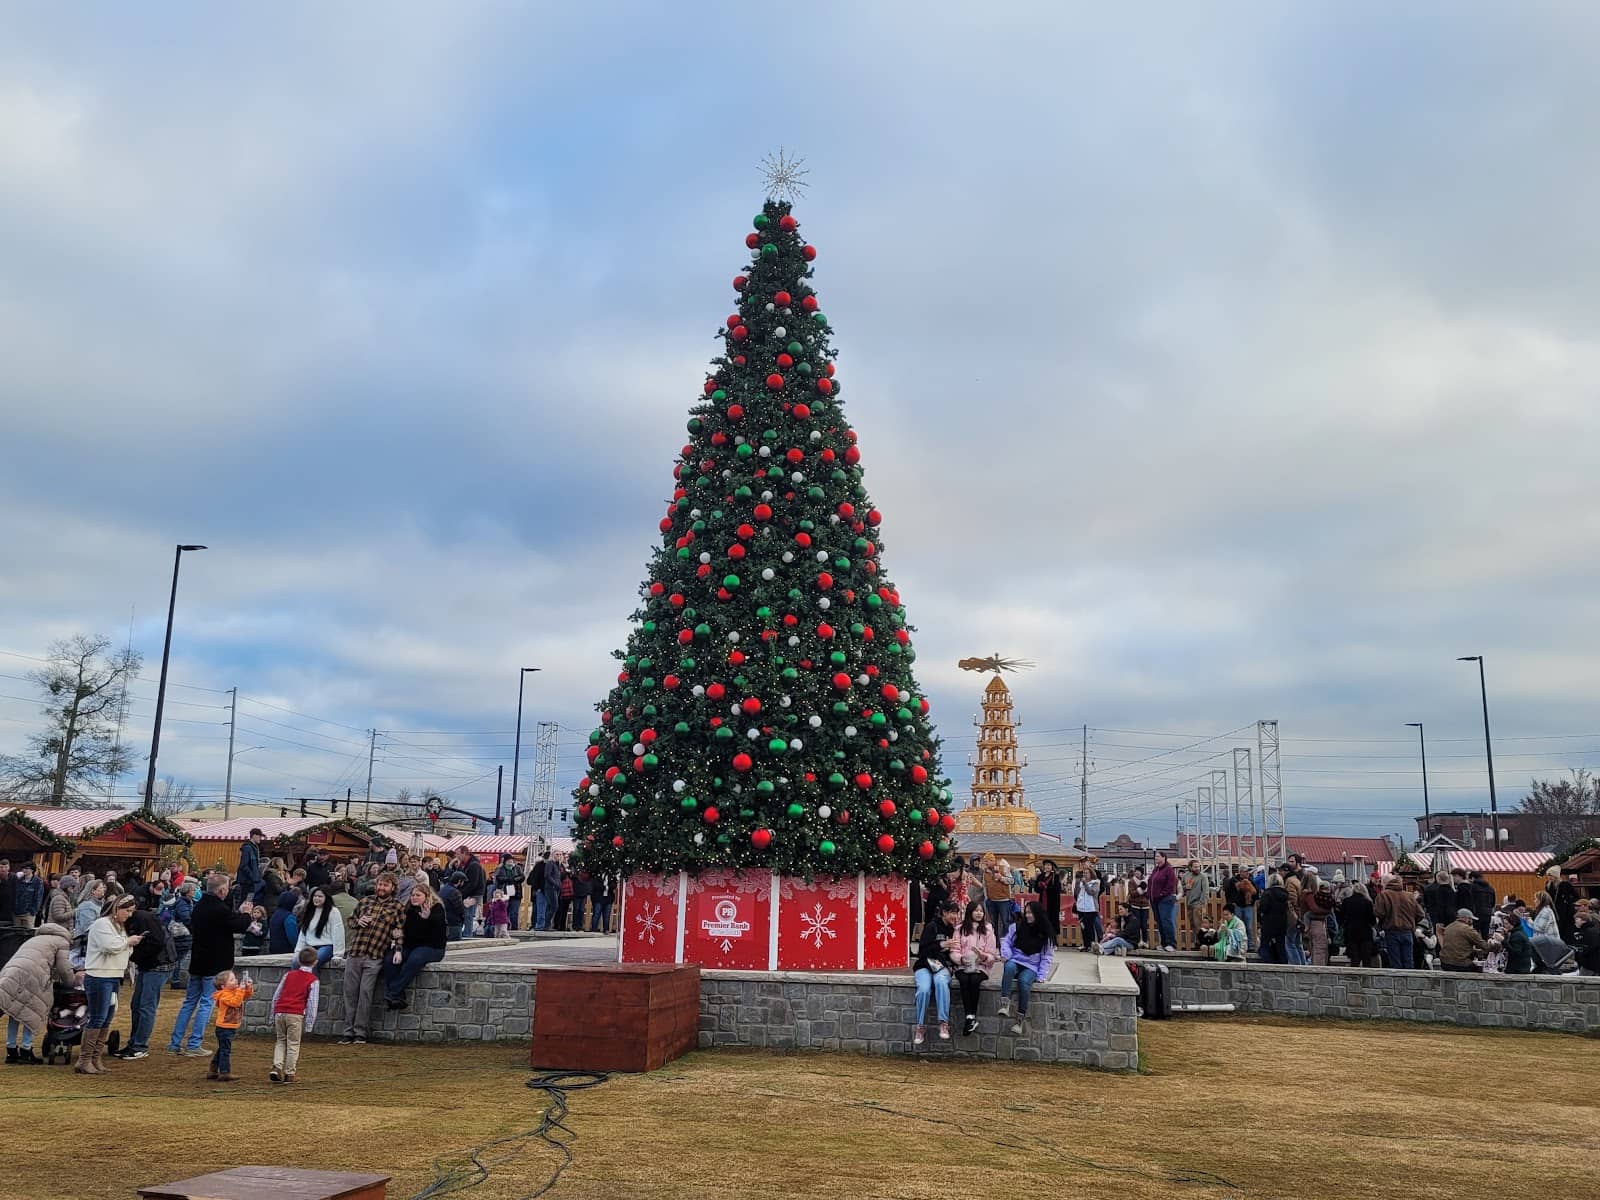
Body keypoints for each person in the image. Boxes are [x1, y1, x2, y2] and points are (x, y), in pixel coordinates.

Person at [170, 874, 251, 1057]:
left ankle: (175, 1043)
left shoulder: (199, 906)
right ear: (222, 890)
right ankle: (194, 1044)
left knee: (189, 1002)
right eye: (227, 888)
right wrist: (246, 913)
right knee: (206, 1002)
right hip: (215, 963)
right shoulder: (219, 909)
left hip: (198, 961)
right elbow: (238, 925)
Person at [339, 871, 404, 1046]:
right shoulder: (365, 901)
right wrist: (358, 921)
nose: (381, 888)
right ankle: (347, 1032)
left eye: (385, 885)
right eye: (380, 884)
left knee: (365, 994)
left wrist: (398, 950)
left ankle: (360, 1032)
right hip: (356, 951)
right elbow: (351, 920)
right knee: (350, 993)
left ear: (392, 887)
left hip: (375, 955)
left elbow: (398, 932)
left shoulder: (397, 907)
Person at [80, 895, 142, 1074]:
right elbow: (110, 946)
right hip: (99, 975)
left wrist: (128, 943)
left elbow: (122, 949)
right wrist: (128, 942)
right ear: (117, 908)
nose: (129, 915)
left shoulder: (119, 927)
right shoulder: (101, 924)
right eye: (127, 911)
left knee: (107, 1017)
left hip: (114, 976)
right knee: (98, 1017)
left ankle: (95, 1058)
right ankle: (85, 1060)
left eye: (132, 912)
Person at [0, 920, 76, 1066]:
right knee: (32, 1010)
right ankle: (26, 1051)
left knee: (15, 1011)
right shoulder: (62, 942)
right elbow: (63, 968)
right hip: (33, 975)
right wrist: (70, 984)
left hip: (10, 972)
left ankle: (11, 1051)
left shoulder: (35, 938)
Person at [114, 898, 176, 1059]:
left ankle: (140, 1045)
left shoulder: (143, 919)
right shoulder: (135, 920)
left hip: (158, 965)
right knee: (137, 1005)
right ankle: (134, 1043)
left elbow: (157, 941)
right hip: (148, 965)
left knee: (146, 1006)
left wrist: (134, 956)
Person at [384, 882, 447, 1010]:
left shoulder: (436, 908)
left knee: (415, 958)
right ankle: (397, 997)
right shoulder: (407, 909)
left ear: (427, 896)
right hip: (409, 945)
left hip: (432, 947)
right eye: (412, 895)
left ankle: (392, 992)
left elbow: (441, 932)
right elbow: (400, 931)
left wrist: (428, 918)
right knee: (389, 961)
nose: (414, 897)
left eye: (418, 895)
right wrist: (398, 950)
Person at [997, 899, 1053, 1036]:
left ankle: (1020, 1020)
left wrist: (1041, 975)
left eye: (1031, 913)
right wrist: (1007, 955)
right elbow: (1006, 942)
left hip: (1032, 966)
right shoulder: (1017, 927)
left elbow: (1047, 957)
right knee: (1009, 966)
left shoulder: (1045, 934)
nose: (1028, 916)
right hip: (1016, 960)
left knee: (1023, 982)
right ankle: (1005, 1003)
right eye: (1026, 912)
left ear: (1038, 914)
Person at [911, 898, 960, 1045]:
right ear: (944, 913)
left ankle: (943, 1023)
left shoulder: (954, 930)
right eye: (952, 913)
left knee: (940, 982)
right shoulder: (932, 927)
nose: (955, 917)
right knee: (924, 989)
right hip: (925, 965)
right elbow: (922, 951)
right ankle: (920, 1026)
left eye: (957, 913)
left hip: (942, 967)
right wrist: (941, 944)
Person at [269, 948, 320, 1084]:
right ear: (315, 962)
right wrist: (309, 1024)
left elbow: (277, 995)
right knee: (293, 1044)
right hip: (295, 1013)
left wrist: (271, 1014)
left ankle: (277, 1066)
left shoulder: (288, 975)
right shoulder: (313, 980)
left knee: (280, 1041)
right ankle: (290, 1073)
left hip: (280, 1011)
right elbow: (312, 1003)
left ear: (298, 960)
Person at [950, 899, 998, 1036]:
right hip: (962, 965)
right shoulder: (960, 929)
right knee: (964, 980)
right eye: (976, 911)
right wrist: (960, 959)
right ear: (970, 912)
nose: (979, 913)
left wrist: (982, 956)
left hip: (981, 966)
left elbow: (992, 955)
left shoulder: (988, 930)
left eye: (981, 911)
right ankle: (970, 1017)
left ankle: (971, 1016)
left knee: (975, 980)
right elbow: (954, 949)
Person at [208, 968, 253, 1082]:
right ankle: (224, 1072)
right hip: (224, 1027)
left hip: (230, 1026)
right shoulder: (224, 995)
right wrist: (241, 990)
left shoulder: (235, 991)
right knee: (225, 1050)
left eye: (234, 978)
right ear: (223, 986)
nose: (236, 981)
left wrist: (248, 987)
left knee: (223, 1048)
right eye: (232, 980)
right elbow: (235, 1002)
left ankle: (213, 1068)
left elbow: (246, 996)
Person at [1374, 876, 1421, 970]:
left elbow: (1379, 913)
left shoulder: (1383, 895)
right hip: (1407, 932)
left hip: (1391, 931)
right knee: (1408, 961)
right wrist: (1411, 922)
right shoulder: (1409, 895)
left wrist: (1383, 924)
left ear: (1385, 883)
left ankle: (1399, 984)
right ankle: (1409, 982)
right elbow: (1420, 914)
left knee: (1396, 963)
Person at [295, 887, 345, 966]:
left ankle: (312, 979)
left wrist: (338, 955)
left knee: (313, 962)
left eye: (320, 896)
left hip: (327, 946)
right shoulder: (309, 910)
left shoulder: (333, 912)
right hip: (310, 946)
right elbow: (303, 933)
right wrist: (298, 951)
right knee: (295, 962)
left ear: (326, 898)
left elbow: (338, 932)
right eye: (315, 896)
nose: (317, 898)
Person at [163, 879, 197, 990]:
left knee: (178, 958)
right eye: (193, 889)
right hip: (182, 934)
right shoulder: (183, 903)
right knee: (178, 958)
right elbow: (186, 918)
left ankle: (175, 979)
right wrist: (193, 928)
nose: (195, 891)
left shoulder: (187, 902)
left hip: (183, 933)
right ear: (188, 891)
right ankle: (175, 980)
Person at [1530, 892, 1574, 973]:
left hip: (1549, 945)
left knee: (1550, 966)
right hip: (1545, 944)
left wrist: (1529, 921)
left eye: (1536, 899)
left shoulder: (1546, 912)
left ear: (1541, 900)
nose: (1534, 901)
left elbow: (1540, 928)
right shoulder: (1544, 911)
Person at [1339, 881, 1377, 967]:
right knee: (1366, 960)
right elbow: (1372, 920)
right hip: (1365, 934)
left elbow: (1342, 918)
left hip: (1351, 933)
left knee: (1354, 959)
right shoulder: (1367, 902)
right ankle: (1366, 979)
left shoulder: (1346, 901)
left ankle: (1354, 978)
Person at [1257, 873, 1291, 964]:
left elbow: (1263, 908)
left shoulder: (1267, 893)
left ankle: (1269, 962)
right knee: (1281, 945)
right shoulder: (1285, 894)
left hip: (1268, 922)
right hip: (1282, 923)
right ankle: (1283, 963)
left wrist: (1259, 919)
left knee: (1264, 945)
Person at [1149, 851, 1179, 952]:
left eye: (1158, 856)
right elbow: (1150, 882)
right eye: (1155, 856)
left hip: (1165, 899)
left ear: (1164, 858)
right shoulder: (1155, 870)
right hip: (1154, 900)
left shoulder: (1168, 870)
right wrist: (1149, 894)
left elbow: (1171, 884)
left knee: (1166, 921)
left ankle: (1171, 943)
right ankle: (1164, 943)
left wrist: (1162, 894)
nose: (1156, 858)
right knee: (1160, 922)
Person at [1223, 865, 1258, 950]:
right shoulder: (1233, 881)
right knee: (1237, 926)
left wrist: (1252, 902)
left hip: (1248, 906)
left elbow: (1256, 892)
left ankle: (1251, 945)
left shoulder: (1251, 881)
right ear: (1241, 872)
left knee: (1249, 926)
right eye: (1246, 871)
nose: (1247, 873)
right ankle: (1238, 944)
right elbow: (1228, 892)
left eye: (1248, 872)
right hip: (1237, 906)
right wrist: (1231, 902)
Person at [1303, 880, 1335, 966]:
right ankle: (1320, 965)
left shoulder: (1314, 896)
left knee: (1317, 947)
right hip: (1321, 923)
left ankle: (1317, 965)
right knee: (1320, 947)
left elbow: (1313, 908)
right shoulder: (1330, 898)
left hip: (1316, 922)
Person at [1071, 863, 1102, 951]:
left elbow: (1091, 892)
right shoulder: (1080, 883)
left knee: (1089, 927)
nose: (1085, 875)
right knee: (1083, 926)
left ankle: (1091, 944)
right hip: (1081, 908)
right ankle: (1085, 944)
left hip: (1091, 908)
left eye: (1087, 873)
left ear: (1091, 874)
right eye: (1084, 873)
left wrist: (1085, 883)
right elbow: (1077, 894)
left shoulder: (1096, 883)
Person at [980, 854, 1011, 939]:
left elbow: (1011, 881)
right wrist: (987, 898)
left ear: (993, 861)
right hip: (991, 901)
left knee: (1005, 922)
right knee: (993, 923)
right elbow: (984, 886)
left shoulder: (1002, 868)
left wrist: (1001, 878)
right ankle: (995, 942)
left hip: (1003, 900)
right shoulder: (985, 872)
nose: (985, 863)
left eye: (987, 861)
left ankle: (1006, 941)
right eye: (985, 861)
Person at [1031, 861, 1063, 944]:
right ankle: (1043, 940)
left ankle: (1053, 942)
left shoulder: (1055, 877)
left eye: (1049, 865)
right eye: (1046, 865)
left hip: (1053, 903)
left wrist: (1046, 887)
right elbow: (1036, 889)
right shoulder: (1041, 876)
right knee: (1043, 920)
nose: (1047, 867)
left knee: (1052, 921)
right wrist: (1039, 886)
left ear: (1052, 867)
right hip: (1043, 902)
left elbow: (1057, 889)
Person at [236, 828, 265, 909]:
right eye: (259, 836)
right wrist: (252, 876)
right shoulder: (248, 848)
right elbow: (243, 865)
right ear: (254, 835)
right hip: (247, 881)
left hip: (250, 880)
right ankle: (240, 917)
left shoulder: (253, 848)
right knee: (244, 901)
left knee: (247, 901)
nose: (260, 838)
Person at [494, 855, 524, 932]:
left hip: (516, 892)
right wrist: (507, 879)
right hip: (504, 892)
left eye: (511, 861)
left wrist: (515, 879)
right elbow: (497, 878)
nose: (510, 862)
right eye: (508, 861)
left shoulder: (517, 868)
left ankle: (514, 928)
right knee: (505, 911)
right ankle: (505, 928)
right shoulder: (500, 869)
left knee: (514, 912)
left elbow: (522, 877)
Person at [1182, 861, 1208, 950]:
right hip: (1189, 903)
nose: (1197, 868)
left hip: (1198, 904)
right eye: (1195, 867)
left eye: (1198, 867)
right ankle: (1198, 942)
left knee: (1199, 924)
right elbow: (1182, 887)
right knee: (1192, 924)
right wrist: (1186, 887)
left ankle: (1202, 943)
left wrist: (1201, 903)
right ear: (1190, 867)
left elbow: (1205, 891)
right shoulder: (1186, 876)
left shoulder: (1203, 877)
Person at [10, 862, 43, 930]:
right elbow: (14, 895)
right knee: (16, 934)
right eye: (23, 868)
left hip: (28, 914)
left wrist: (32, 911)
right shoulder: (18, 880)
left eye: (27, 868)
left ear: (32, 870)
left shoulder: (38, 882)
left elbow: (38, 898)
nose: (24, 870)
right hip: (16, 913)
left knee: (27, 934)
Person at [267, 891, 300, 955]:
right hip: (286, 951)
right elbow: (293, 937)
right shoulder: (289, 917)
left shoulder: (275, 914)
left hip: (274, 949)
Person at [1127, 866, 1152, 948]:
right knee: (1137, 924)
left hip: (1145, 905)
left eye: (1139, 871)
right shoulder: (1131, 881)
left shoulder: (1146, 881)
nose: (1137, 873)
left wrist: (1144, 890)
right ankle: (1138, 941)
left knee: (1144, 925)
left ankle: (1145, 941)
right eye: (1136, 871)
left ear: (1142, 873)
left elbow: (1148, 893)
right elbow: (1132, 893)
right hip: (1135, 905)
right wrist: (1140, 889)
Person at [526, 852, 551, 930]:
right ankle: (537, 925)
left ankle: (537, 925)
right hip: (540, 890)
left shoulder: (540, 866)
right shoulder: (539, 867)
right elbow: (532, 880)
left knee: (539, 909)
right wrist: (537, 888)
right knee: (539, 909)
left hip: (543, 890)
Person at [1467, 872, 1497, 937]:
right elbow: (1493, 903)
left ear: (1472, 878)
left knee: (1475, 935)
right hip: (1487, 913)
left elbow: (1470, 901)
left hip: (1476, 914)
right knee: (1485, 935)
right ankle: (1485, 946)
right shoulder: (1491, 888)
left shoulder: (1472, 887)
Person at [440, 873, 467, 941]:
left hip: (444, 922)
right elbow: (459, 909)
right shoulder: (455, 892)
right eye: (463, 881)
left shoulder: (443, 889)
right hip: (454, 923)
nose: (463, 883)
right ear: (459, 881)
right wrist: (465, 906)